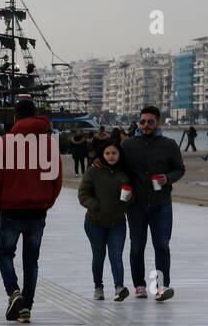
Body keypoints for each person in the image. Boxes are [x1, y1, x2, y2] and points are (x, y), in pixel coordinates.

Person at [0, 98, 62, 324]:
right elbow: (56, 178)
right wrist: (47, 202)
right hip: (37, 210)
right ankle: (26, 307)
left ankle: (14, 292)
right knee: (31, 261)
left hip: (10, 209)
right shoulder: (49, 143)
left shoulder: (5, 142)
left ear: (15, 118)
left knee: (4, 255)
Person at [122, 105, 184, 301]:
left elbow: (179, 169)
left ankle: (161, 287)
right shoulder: (128, 145)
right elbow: (113, 163)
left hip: (161, 204)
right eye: (142, 121)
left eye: (150, 121)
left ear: (158, 122)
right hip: (136, 204)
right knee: (137, 246)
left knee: (162, 246)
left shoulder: (169, 144)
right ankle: (139, 285)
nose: (145, 125)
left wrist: (168, 178)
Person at [77, 142, 131, 301]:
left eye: (114, 153)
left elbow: (132, 192)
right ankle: (98, 287)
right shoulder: (93, 171)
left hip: (118, 221)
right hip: (95, 222)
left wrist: (129, 198)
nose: (111, 156)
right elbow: (83, 194)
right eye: (107, 153)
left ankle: (119, 288)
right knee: (98, 256)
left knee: (116, 255)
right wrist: (96, 206)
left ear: (119, 154)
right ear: (102, 155)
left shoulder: (125, 171)